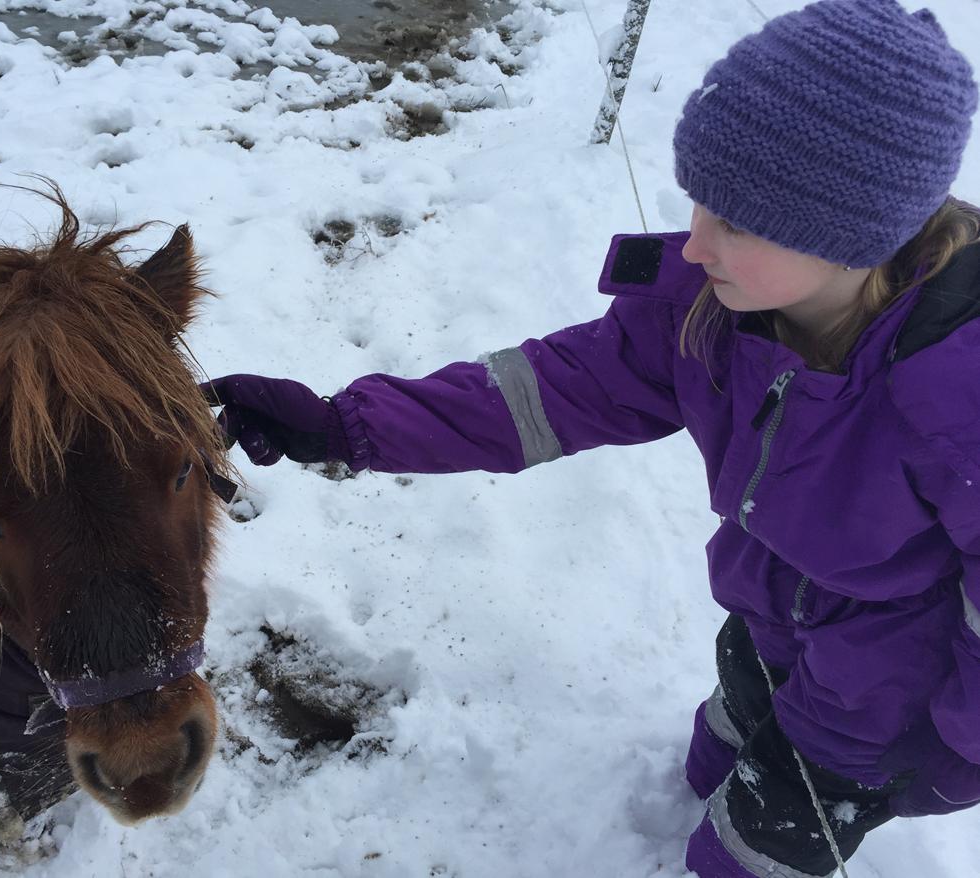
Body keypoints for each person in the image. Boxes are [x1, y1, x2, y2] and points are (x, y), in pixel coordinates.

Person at [204, 1, 980, 875]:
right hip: (767, 619)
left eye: (735, 222)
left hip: (886, 709)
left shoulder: (956, 396)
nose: (693, 244)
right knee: (720, 748)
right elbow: (549, 393)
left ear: (850, 237)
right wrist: (345, 424)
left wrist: (952, 743)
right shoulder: (713, 317)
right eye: (698, 202)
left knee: (752, 849)